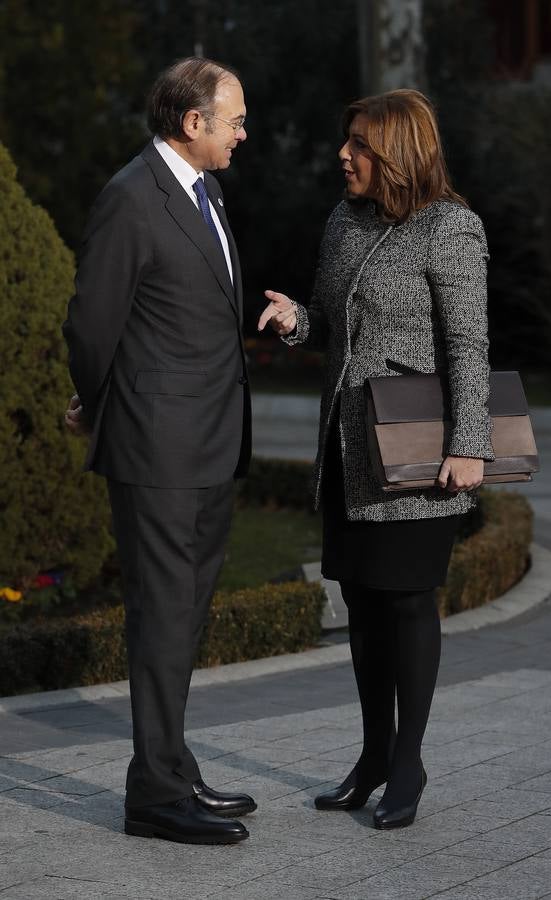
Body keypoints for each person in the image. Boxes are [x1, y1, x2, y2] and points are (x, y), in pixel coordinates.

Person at [259, 89, 494, 829]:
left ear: (396, 151)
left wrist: (468, 444)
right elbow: (336, 320)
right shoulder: (342, 221)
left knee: (407, 601)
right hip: (348, 444)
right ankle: (369, 757)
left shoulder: (450, 229)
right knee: (359, 602)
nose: (343, 155)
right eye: (346, 142)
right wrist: (300, 319)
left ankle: (407, 765)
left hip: (419, 452)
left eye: (358, 144)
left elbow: (467, 345)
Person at [63, 57, 255, 845]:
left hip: (209, 446)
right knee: (163, 618)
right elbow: (90, 324)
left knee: (185, 616)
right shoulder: (130, 198)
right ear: (192, 122)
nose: (244, 132)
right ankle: (154, 797)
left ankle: (172, 768)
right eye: (235, 118)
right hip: (159, 453)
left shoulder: (203, 192)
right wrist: (100, 400)